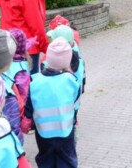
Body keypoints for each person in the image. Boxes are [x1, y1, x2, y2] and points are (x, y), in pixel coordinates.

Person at [22, 38, 80, 168]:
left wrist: (26, 121)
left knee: (45, 158)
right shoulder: (71, 81)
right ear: (67, 61)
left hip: (43, 131)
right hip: (65, 129)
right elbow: (75, 102)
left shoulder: (35, 81)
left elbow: (29, 106)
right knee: (67, 160)